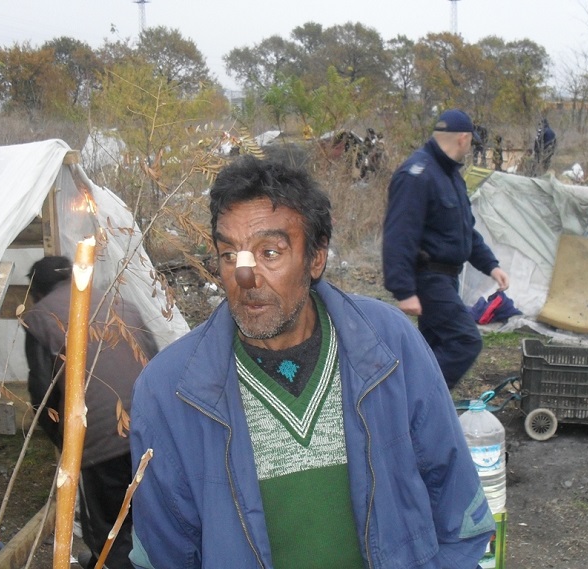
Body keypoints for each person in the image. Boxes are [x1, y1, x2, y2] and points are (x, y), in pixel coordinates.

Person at [129, 156, 495, 569]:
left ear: (315, 259)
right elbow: (163, 556)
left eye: (269, 252)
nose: (244, 277)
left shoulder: (390, 346)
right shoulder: (169, 391)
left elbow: (456, 503)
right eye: (230, 255)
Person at [22, 256, 158, 569]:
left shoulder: (41, 317)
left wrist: (69, 446)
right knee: (152, 517)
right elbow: (155, 358)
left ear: (36, 292)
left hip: (99, 438)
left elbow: (43, 394)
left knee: (110, 529)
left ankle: (109, 560)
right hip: (151, 428)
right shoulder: (116, 302)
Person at [382, 109, 510, 390]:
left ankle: (412, 411)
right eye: (471, 142)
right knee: (465, 340)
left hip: (448, 279)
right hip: (429, 278)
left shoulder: (451, 177)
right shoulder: (417, 174)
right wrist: (403, 289)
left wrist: (491, 265)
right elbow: (398, 234)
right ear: (464, 139)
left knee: (433, 348)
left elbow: (465, 232)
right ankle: (420, 399)